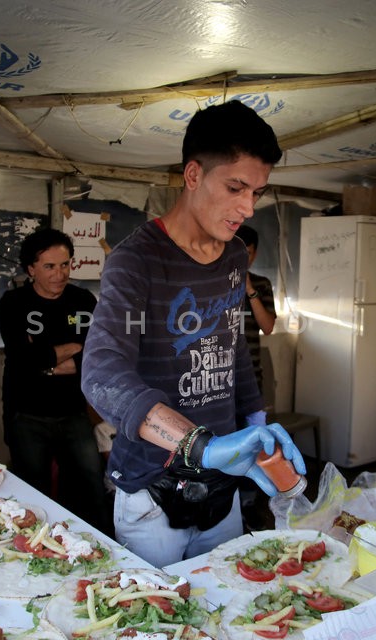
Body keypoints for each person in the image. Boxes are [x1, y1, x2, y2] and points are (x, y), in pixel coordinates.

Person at [80, 100, 306, 568]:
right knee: (159, 619)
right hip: (153, 490)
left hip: (221, 485)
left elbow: (233, 349)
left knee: (225, 606)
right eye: (235, 187)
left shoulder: (235, 256)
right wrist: (201, 444)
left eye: (257, 192)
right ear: (193, 175)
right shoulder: (135, 260)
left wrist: (258, 427)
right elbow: (102, 374)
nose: (246, 207)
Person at [0, 228, 108, 533]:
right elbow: (22, 359)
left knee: (90, 490)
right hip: (26, 416)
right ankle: (35, 554)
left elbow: (95, 356)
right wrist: (72, 349)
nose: (60, 274)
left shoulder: (83, 300)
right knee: (33, 495)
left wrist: (46, 357)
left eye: (65, 265)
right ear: (31, 269)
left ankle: (93, 550)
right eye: (49, 266)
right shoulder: (13, 303)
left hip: (73, 414)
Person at [235, 225, 277, 395]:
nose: (243, 259)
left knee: (253, 422)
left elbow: (267, 328)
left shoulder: (262, 284)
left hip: (251, 373)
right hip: (219, 374)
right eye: (238, 253)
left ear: (255, 254)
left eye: (248, 253)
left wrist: (250, 290)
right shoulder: (216, 282)